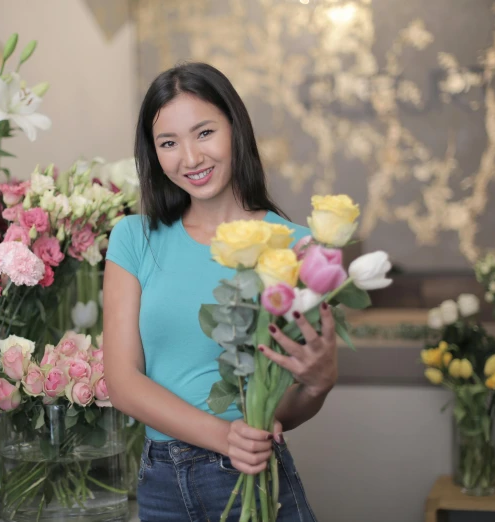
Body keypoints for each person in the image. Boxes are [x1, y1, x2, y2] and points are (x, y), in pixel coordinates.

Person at [103, 62, 336, 522]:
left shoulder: (296, 245)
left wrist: (318, 384)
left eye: (204, 133)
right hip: (161, 484)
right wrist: (222, 435)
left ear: (235, 127)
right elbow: (123, 382)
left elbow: (280, 408)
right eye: (168, 143)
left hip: (254, 478)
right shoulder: (133, 237)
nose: (189, 158)